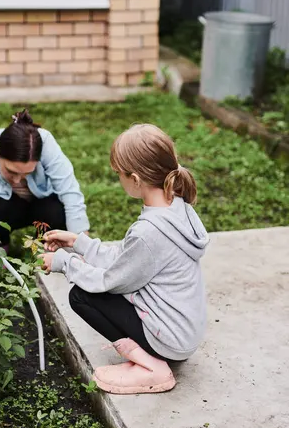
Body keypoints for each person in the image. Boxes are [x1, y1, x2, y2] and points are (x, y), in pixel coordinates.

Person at [41, 123, 209, 395]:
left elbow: (111, 281)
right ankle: (153, 357)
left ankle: (152, 367)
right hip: (183, 332)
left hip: (170, 342)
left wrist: (64, 263)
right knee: (91, 288)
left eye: (118, 174)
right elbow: (129, 259)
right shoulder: (177, 208)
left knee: (82, 296)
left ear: (135, 179)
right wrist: (78, 243)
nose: (118, 179)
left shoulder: (149, 232)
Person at [0, 109, 89, 303]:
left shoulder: (45, 144)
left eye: (26, 173)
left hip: (41, 207)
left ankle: (44, 246)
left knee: (55, 208)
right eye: (11, 171)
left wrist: (83, 247)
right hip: (5, 211)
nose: (17, 179)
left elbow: (70, 192)